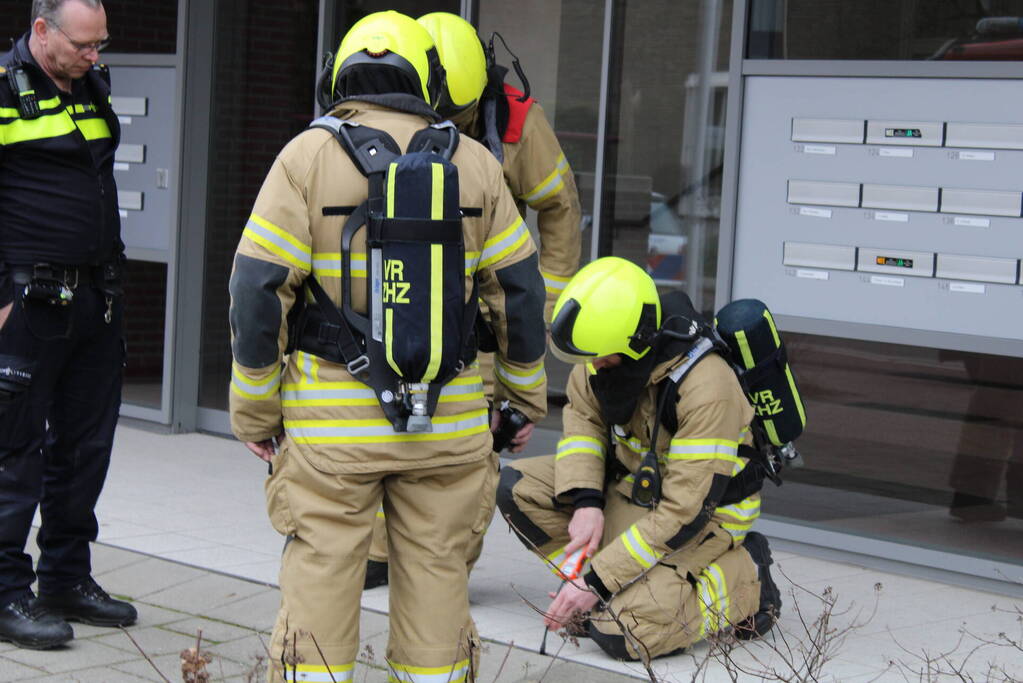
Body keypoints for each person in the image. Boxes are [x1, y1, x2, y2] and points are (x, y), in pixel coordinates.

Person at [228, 10, 547, 680]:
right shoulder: (475, 163)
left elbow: (257, 289)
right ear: (428, 81)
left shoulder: (304, 158)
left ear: (339, 75)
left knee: (322, 570)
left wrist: (256, 411)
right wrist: (522, 400)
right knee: (437, 573)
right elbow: (518, 293)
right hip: (448, 425)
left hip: (331, 431)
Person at [363, 10, 582, 590]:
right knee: (392, 419)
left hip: (482, 310)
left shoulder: (515, 123)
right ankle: (383, 552)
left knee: (474, 436)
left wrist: (546, 301)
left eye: (458, 116)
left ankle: (447, 563)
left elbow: (559, 205)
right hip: (406, 296)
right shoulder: (393, 105)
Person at [496, 257, 782, 660]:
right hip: (634, 494)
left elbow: (684, 511)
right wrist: (586, 501)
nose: (592, 366)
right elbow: (583, 427)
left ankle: (750, 579)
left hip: (706, 519)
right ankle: (605, 587)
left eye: (601, 358)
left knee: (624, 633)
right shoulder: (603, 355)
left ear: (636, 345)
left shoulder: (708, 387)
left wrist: (596, 582)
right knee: (517, 489)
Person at [0, 0, 135, 651]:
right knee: (13, 453)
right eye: (83, 44)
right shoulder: (4, 91)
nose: (94, 55)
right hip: (25, 303)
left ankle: (64, 578)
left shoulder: (91, 85)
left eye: (100, 43)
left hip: (94, 300)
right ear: (41, 29)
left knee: (84, 448)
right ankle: (5, 590)